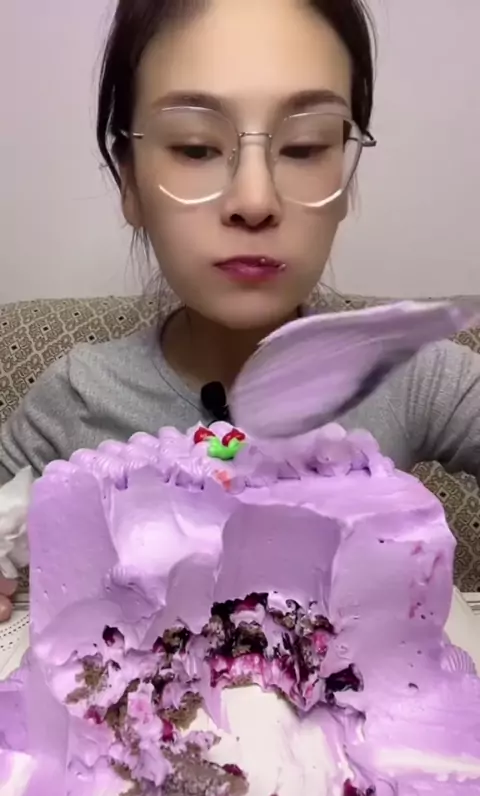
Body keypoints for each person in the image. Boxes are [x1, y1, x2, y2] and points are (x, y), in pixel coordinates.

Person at [1, 0, 479, 622]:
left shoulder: (413, 373)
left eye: (305, 146)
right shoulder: (75, 400)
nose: (255, 200)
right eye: (196, 147)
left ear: (346, 179)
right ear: (130, 183)